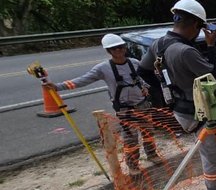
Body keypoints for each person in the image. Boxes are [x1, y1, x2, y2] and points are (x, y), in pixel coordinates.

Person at [137, 0, 216, 190]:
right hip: (199, 112)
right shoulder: (185, 52)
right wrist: (211, 45)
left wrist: (165, 91)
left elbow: (143, 70)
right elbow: (215, 77)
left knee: (213, 148)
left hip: (181, 108)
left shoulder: (159, 44)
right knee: (212, 151)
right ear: (196, 24)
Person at [46, 34, 160, 174]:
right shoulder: (103, 68)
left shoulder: (134, 63)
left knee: (148, 132)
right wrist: (58, 87)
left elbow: (143, 79)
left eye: (120, 47)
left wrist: (145, 88)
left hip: (142, 106)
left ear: (124, 48)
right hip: (125, 110)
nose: (118, 50)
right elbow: (82, 80)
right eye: (114, 49)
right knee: (130, 139)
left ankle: (152, 154)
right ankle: (133, 165)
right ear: (109, 51)